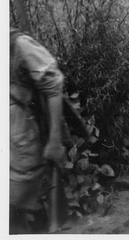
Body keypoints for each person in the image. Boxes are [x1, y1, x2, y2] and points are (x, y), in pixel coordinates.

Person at [10, 28, 67, 234]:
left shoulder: (18, 44)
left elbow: (53, 83)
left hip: (21, 141)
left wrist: (54, 141)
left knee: (14, 210)